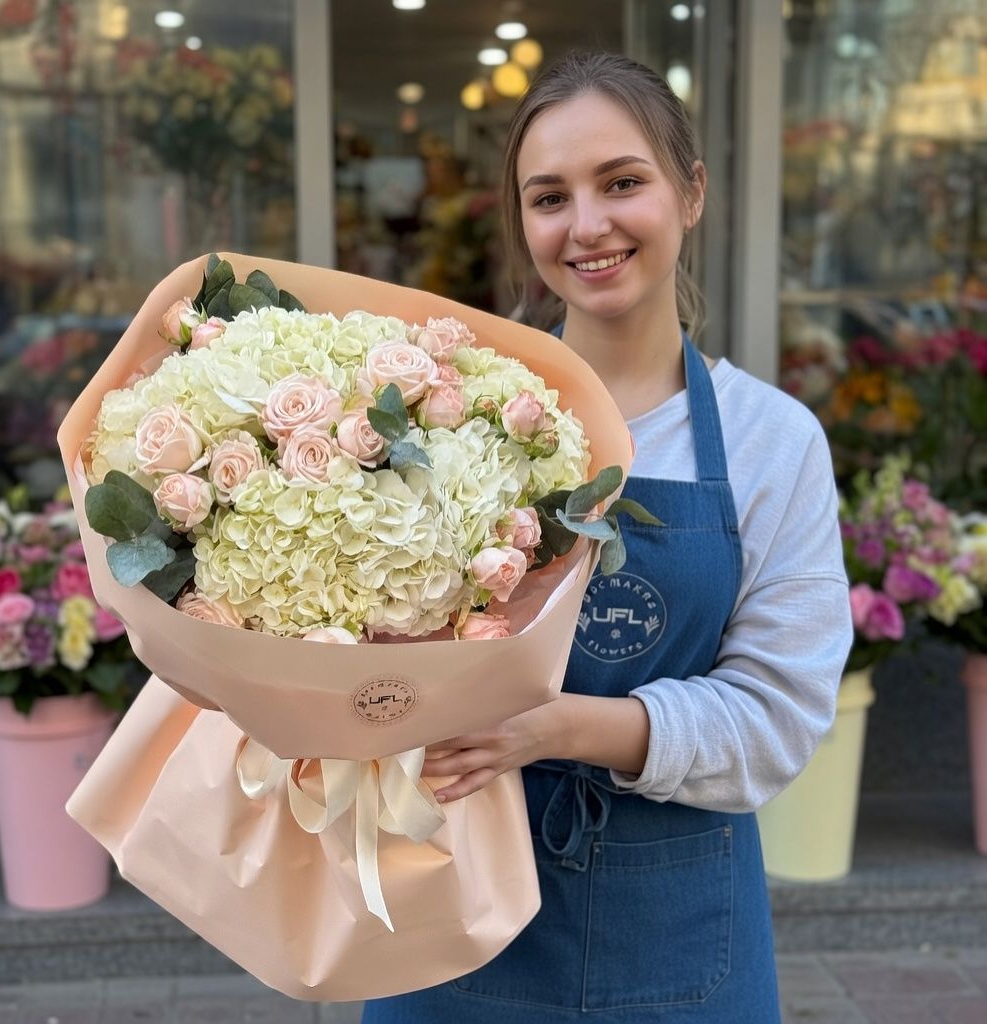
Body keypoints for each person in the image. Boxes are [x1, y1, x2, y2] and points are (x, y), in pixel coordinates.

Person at [362, 50, 852, 1023]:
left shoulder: (771, 440)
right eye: (550, 198)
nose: (586, 225)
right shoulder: (453, 420)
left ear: (691, 192)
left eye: (621, 183)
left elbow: (779, 717)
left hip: (679, 936)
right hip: (450, 907)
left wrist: (551, 729)